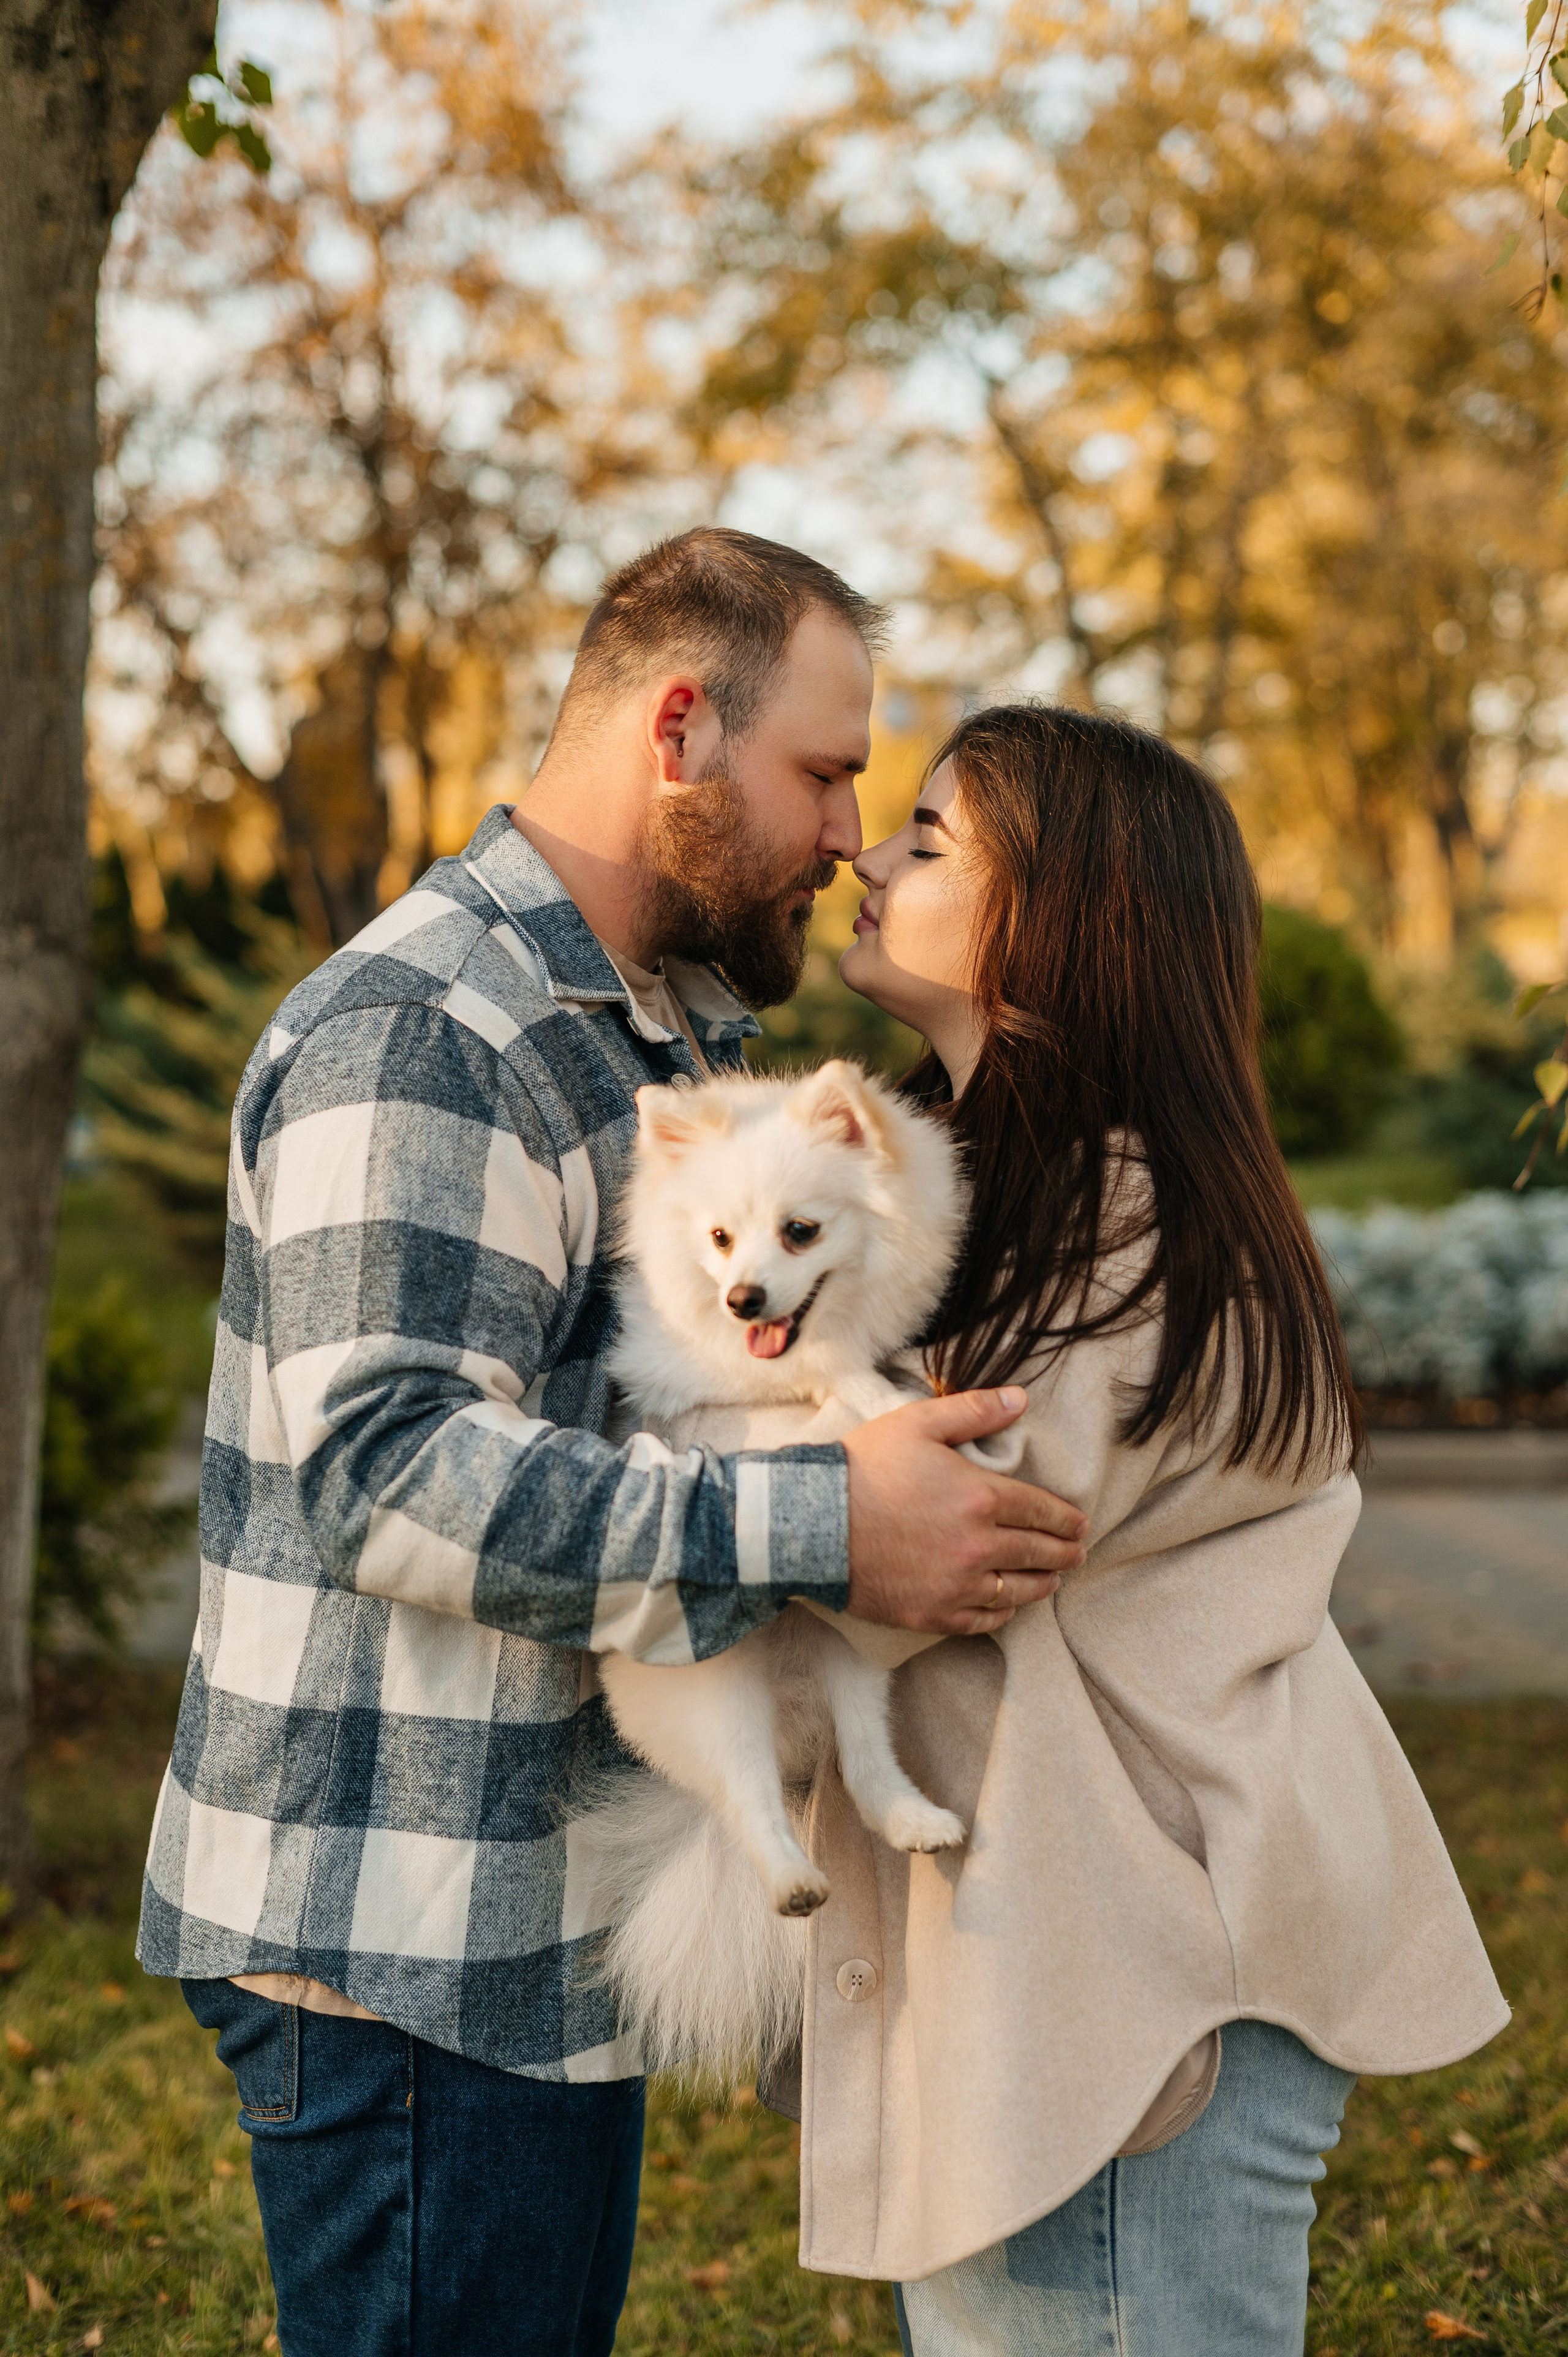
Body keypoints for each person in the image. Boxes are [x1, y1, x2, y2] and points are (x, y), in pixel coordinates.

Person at [134, 533, 1088, 2357]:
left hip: (531, 1905)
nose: (844, 833)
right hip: (401, 1931)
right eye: (823, 773)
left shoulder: (658, 1039)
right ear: (679, 728)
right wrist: (829, 1521)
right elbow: (385, 1470)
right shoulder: (427, 1033)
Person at [784, 703, 1507, 2356]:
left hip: (1133, 1986)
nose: (865, 854)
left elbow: (934, 1562)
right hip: (1072, 1962)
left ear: (1069, 913)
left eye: (928, 837)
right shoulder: (992, 1198)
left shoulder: (1120, 1226)